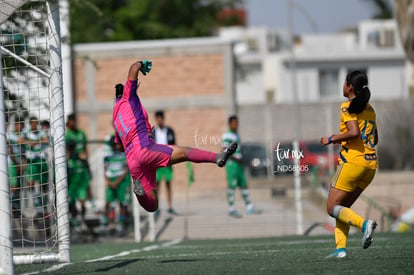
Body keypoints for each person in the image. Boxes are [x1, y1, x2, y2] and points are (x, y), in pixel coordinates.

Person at [112, 60, 237, 212]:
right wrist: (141, 64)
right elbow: (133, 68)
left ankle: (141, 195)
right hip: (145, 147)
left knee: (153, 203)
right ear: (126, 91)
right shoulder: (128, 98)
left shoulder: (115, 117)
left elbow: (119, 147)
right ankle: (217, 157)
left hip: (133, 161)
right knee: (185, 152)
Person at [320, 70, 378, 259]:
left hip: (353, 162)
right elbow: (374, 138)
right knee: (341, 207)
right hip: (370, 165)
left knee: (331, 208)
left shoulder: (347, 107)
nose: (342, 86)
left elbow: (353, 132)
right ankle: (340, 250)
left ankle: (364, 224)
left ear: (350, 86)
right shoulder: (370, 109)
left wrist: (332, 138)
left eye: (344, 82)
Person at [222, 115, 259, 218]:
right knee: (232, 186)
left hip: (239, 165)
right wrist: (236, 158)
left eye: (237, 123)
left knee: (243, 184)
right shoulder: (227, 135)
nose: (236, 125)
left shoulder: (236, 135)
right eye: (234, 123)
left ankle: (249, 206)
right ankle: (231, 208)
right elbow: (224, 150)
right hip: (232, 165)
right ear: (229, 124)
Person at [66, 113, 91, 228]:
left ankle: (83, 219)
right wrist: (74, 154)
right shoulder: (67, 135)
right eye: (71, 121)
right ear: (68, 122)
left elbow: (85, 151)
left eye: (74, 120)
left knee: (82, 200)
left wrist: (85, 158)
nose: (73, 123)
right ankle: (75, 220)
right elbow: (66, 153)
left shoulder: (81, 134)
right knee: (71, 201)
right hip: (71, 173)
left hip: (81, 171)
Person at [103, 134, 131, 235]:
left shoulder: (122, 155)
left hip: (120, 181)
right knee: (108, 202)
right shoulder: (107, 157)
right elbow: (105, 169)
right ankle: (106, 223)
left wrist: (117, 181)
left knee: (122, 203)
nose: (112, 146)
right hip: (111, 181)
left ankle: (121, 223)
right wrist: (109, 182)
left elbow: (125, 169)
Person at [152, 110, 177, 215]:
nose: (159, 120)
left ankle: (170, 206)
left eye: (161, 118)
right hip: (157, 162)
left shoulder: (169, 131)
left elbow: (174, 145)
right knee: (157, 185)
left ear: (163, 118)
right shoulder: (153, 132)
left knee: (168, 183)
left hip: (167, 161)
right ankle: (156, 207)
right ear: (156, 119)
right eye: (158, 118)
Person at [23, 116, 49, 216]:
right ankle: (38, 206)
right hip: (31, 162)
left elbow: (46, 140)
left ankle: (44, 206)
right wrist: (29, 142)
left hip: (41, 161)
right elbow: (20, 140)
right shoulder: (26, 132)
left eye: (35, 123)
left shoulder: (41, 132)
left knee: (43, 185)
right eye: (32, 123)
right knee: (30, 184)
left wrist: (35, 142)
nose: (34, 125)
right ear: (30, 123)